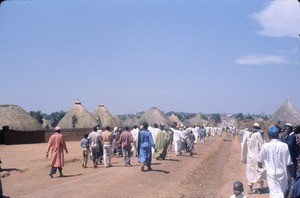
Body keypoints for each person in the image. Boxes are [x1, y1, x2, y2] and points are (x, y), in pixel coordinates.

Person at [258, 125, 293, 197]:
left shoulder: (266, 146)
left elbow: (259, 160)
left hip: (272, 175)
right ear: (278, 135)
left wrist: (260, 166)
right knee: (282, 192)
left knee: (274, 193)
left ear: (269, 135)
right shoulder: (284, 146)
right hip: (283, 174)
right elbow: (289, 163)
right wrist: (291, 176)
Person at [241, 123, 266, 194]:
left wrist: (244, 157)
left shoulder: (248, 135)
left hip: (250, 157)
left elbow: (244, 146)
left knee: (250, 172)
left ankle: (250, 188)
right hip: (258, 156)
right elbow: (262, 146)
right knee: (259, 171)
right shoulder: (259, 135)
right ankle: (259, 188)